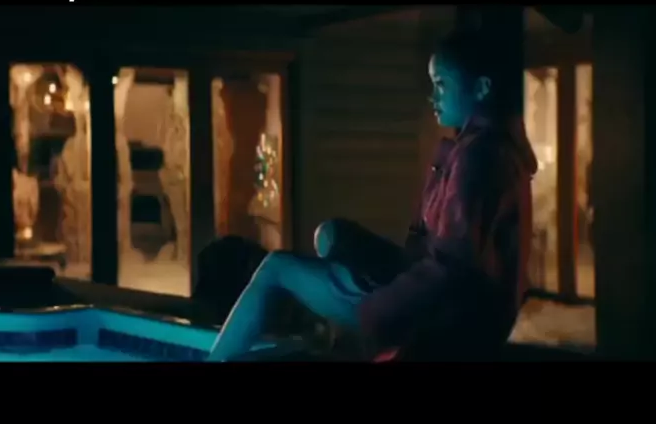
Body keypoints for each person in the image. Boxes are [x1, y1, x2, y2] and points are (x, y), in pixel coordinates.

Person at [206, 31, 538, 362]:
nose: (433, 96)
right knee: (330, 236)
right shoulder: (480, 150)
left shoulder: (480, 157)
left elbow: (450, 267)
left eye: (441, 84)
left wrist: (377, 313)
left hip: (441, 321)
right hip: (437, 301)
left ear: (481, 88)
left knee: (277, 268)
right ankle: (328, 325)